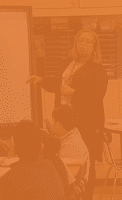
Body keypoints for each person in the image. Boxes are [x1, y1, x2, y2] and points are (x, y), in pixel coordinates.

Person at [29, 27, 108, 164]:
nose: (82, 44)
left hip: (86, 121)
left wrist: (74, 93)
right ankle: (70, 185)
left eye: (87, 41)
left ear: (94, 47)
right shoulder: (68, 63)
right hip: (64, 120)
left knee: (85, 158)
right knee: (65, 157)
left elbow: (98, 94)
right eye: (80, 40)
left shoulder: (98, 69)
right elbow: (58, 83)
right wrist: (42, 80)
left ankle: (87, 186)